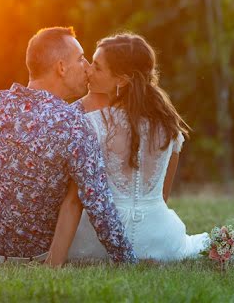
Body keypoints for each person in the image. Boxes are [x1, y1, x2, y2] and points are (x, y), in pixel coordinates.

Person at [0, 26, 136, 265]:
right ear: (61, 67)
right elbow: (99, 204)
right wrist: (128, 261)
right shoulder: (75, 125)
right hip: (36, 257)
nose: (88, 67)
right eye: (80, 59)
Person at [67, 33, 209, 261]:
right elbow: (163, 195)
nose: (88, 70)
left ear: (121, 80)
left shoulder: (91, 123)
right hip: (160, 239)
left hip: (98, 241)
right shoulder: (168, 126)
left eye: (97, 66)